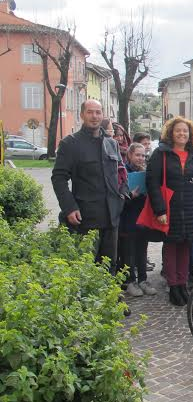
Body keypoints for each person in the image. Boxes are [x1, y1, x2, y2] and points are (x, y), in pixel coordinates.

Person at [52, 100, 130, 275]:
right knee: (86, 269)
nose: (94, 116)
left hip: (111, 217)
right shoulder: (69, 144)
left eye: (98, 112)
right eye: (90, 112)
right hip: (85, 217)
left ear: (102, 115)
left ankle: (110, 301)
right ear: (82, 115)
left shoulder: (111, 144)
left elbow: (121, 172)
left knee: (109, 268)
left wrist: (123, 194)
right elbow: (58, 178)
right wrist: (70, 208)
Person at [146, 116, 193, 306]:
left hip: (190, 208)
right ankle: (173, 286)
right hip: (169, 208)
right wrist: (160, 210)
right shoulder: (161, 154)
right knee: (171, 246)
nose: (182, 134)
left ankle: (183, 284)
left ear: (190, 135)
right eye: (178, 130)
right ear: (171, 133)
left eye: (185, 131)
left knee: (186, 246)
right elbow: (152, 183)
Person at [119, 142, 157, 297]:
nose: (141, 158)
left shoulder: (146, 172)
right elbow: (119, 196)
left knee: (142, 250)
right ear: (130, 155)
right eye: (137, 155)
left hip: (143, 217)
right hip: (128, 217)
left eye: (143, 155)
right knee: (128, 252)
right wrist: (130, 196)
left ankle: (143, 279)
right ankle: (130, 281)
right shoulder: (123, 171)